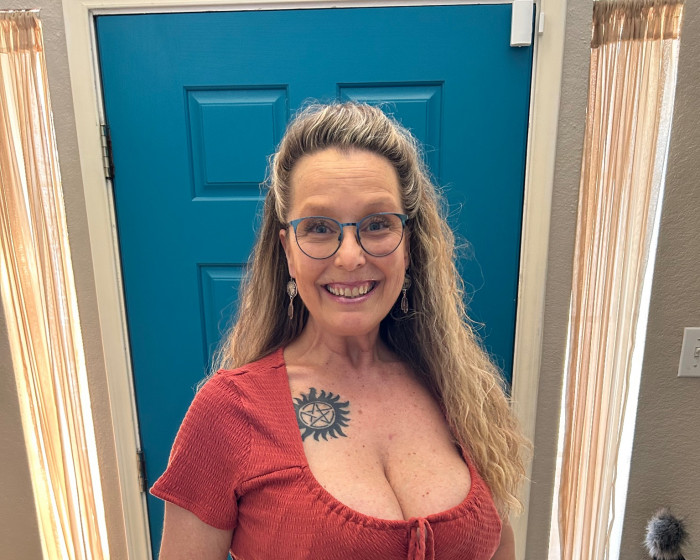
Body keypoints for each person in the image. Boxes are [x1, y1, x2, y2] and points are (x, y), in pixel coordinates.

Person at [151, 102, 528, 560]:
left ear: (408, 243)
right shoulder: (228, 414)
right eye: (318, 228)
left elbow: (500, 543)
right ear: (288, 251)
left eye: (378, 224)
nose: (350, 257)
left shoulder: (458, 386)